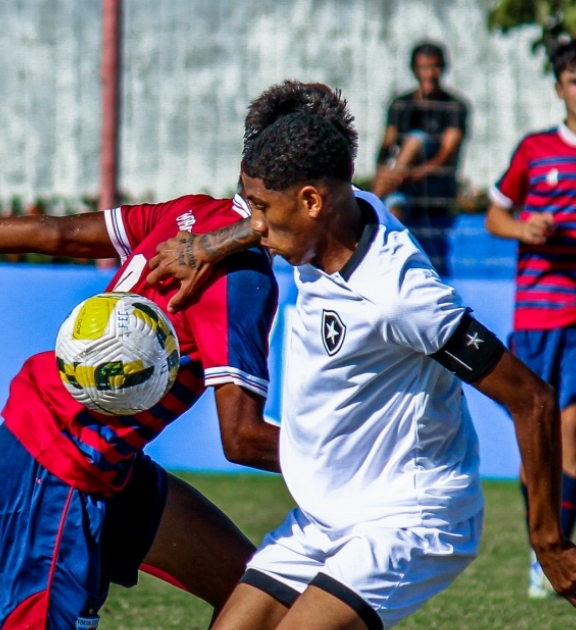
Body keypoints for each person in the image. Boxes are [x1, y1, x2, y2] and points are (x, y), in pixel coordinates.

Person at [0, 81, 356, 630]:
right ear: (315, 194)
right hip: (61, 461)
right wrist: (370, 470)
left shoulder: (188, 213)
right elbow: (242, 437)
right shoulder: (242, 279)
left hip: (97, 458)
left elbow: (57, 233)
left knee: (256, 595)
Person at [146, 97, 576, 628]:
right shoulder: (334, 216)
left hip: (409, 518)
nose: (252, 224)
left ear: (309, 201)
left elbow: (532, 398)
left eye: (259, 208)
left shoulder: (400, 297)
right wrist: (214, 243)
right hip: (327, 516)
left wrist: (549, 541)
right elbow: (284, 200)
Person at [486, 37, 576, 599]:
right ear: (560, 87)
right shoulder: (536, 149)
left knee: (572, 428)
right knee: (537, 435)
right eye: (574, 81)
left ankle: (558, 549)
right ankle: (542, 547)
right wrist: (525, 228)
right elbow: (496, 212)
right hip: (538, 314)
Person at [372, 41, 469, 277]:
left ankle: (371, 203)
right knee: (395, 207)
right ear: (415, 69)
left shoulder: (454, 107)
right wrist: (388, 172)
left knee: (416, 139)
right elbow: (386, 146)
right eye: (424, 67)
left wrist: (409, 174)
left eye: (434, 67)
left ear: (443, 68)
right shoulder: (402, 104)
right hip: (402, 185)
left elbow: (446, 157)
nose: (429, 74)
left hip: (434, 183)